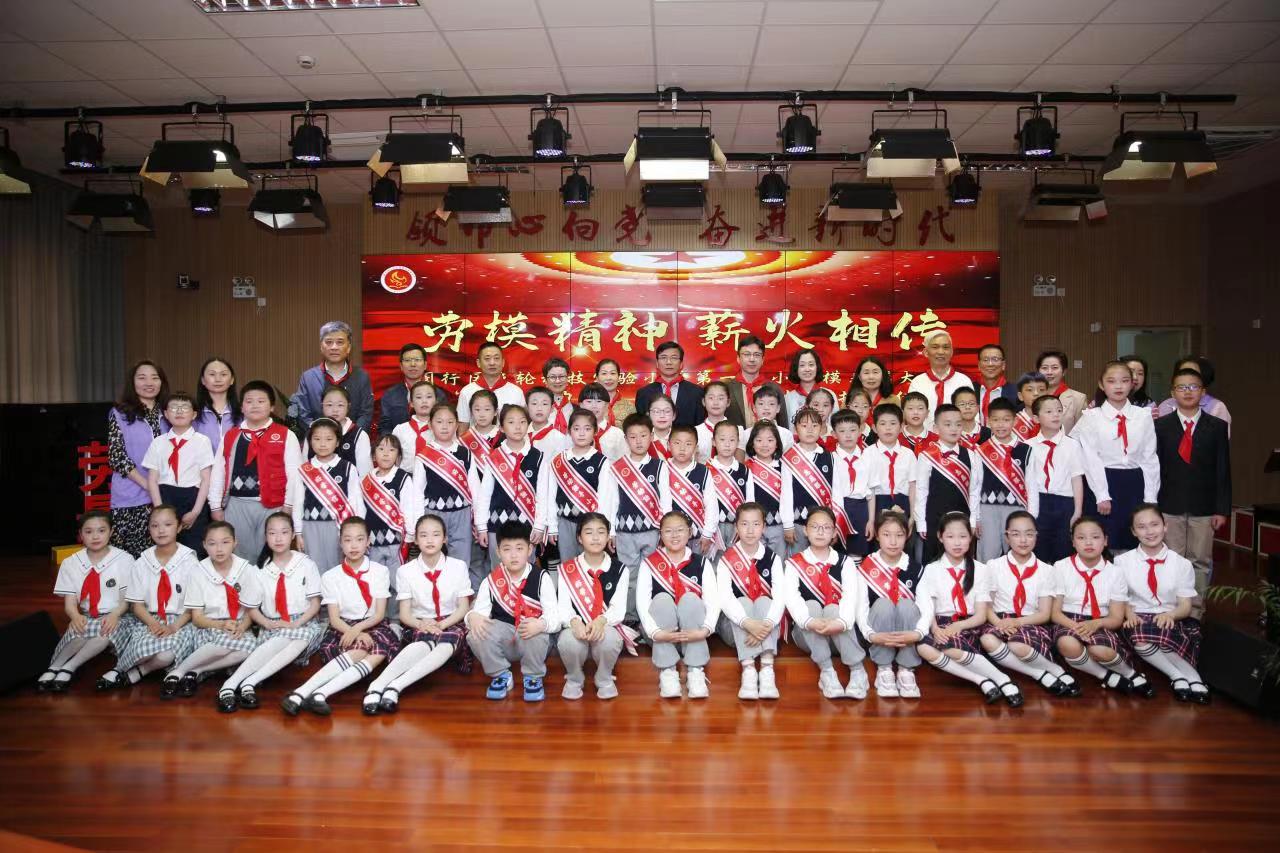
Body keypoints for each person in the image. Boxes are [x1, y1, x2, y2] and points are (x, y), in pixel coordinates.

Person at [282, 517, 397, 716]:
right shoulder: (330, 576)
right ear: (340, 542)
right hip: (342, 627)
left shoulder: (380, 571)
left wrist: (358, 630)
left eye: (359, 539)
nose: (354, 545)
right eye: (348, 540)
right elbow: (334, 619)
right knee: (362, 648)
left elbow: (379, 614)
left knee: (376, 647)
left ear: (368, 541)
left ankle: (312, 693)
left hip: (373, 624)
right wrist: (353, 631)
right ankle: (309, 692)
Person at [216, 512, 324, 712]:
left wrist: (295, 623)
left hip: (303, 622)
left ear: (293, 535)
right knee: (286, 637)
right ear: (265, 537)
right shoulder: (259, 570)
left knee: (299, 637)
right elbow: (251, 608)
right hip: (272, 624)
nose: (278, 538)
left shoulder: (306, 564)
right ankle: (238, 684)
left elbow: (315, 604)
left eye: (284, 532)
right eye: (272, 533)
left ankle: (242, 682)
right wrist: (267, 623)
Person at [365, 514, 473, 714]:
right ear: (415, 540)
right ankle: (376, 686)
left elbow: (463, 607)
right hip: (419, 623)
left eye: (436, 535)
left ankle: (395, 687)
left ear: (445, 539)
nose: (430, 540)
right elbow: (405, 615)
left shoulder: (458, 566)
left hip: (451, 621)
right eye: (423, 535)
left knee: (447, 640)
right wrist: (422, 624)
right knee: (424, 642)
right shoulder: (405, 571)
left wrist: (441, 625)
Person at [914, 512, 1023, 706]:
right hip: (942, 624)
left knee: (949, 647)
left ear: (971, 537)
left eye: (963, 536)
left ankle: (1001, 679)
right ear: (940, 537)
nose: (957, 543)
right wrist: (935, 629)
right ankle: (981, 680)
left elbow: (981, 615)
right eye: (950, 536)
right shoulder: (931, 569)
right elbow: (927, 606)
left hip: (971, 624)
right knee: (923, 647)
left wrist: (958, 626)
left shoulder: (981, 569)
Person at [1154, 367, 1231, 618]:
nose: (1187, 392)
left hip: (1205, 506)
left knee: (1200, 560)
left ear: (1203, 392)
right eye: (1181, 387)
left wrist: (1222, 509)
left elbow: (1223, 470)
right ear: (1172, 393)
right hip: (1169, 504)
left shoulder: (1217, 427)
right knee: (1172, 559)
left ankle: (1195, 612)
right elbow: (1155, 468)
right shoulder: (1161, 426)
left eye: (1193, 387)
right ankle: (1172, 610)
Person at [978, 512, 1078, 696]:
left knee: (1017, 645)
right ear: (1007, 537)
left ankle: (1054, 669)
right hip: (999, 619)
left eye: (1029, 534)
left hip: (1030, 621)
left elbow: (1045, 614)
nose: (1023, 540)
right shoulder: (993, 565)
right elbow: (987, 605)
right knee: (987, 639)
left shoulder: (1047, 570)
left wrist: (1016, 622)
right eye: (1016, 534)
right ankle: (1040, 674)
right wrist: (1000, 623)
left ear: (1036, 536)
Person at [1050, 516, 1152, 697]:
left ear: (1105, 541)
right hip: (1068, 620)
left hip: (1101, 621)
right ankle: (1106, 676)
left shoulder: (1115, 572)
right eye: (1081, 537)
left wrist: (1095, 624)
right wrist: (1077, 627)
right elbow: (1055, 613)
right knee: (1068, 643)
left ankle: (1130, 673)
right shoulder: (1061, 567)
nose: (1088, 542)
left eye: (1095, 537)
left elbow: (1116, 618)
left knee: (1100, 650)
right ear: (1073, 542)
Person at [1118, 504, 1209, 704]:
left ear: (1165, 526)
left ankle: (1190, 677)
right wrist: (1129, 614)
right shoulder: (1122, 562)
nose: (1149, 531)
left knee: (1164, 630)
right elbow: (1120, 598)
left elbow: (1185, 605)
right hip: (1138, 616)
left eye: (1154, 524)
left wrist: (1171, 615)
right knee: (1140, 635)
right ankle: (1180, 676)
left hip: (1171, 616)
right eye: (1141, 527)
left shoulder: (1182, 564)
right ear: (1133, 532)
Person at [37, 512, 135, 693]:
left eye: (101, 530)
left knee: (105, 632)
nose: (95, 536)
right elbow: (70, 604)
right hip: (88, 615)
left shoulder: (124, 559)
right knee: (79, 630)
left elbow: (126, 601)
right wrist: (75, 616)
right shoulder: (71, 563)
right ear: (80, 535)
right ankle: (55, 667)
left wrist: (114, 615)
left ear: (111, 532)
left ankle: (70, 667)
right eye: (89, 532)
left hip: (118, 614)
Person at [167, 521, 263, 701]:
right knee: (228, 642)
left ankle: (194, 670)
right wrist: (221, 625)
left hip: (237, 627)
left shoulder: (247, 570)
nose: (219, 549)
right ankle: (178, 672)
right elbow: (197, 618)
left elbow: (251, 610)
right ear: (204, 545)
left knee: (250, 649)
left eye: (225, 542)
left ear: (235, 542)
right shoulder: (198, 571)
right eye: (212, 543)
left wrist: (243, 627)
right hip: (209, 627)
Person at [465, 520, 559, 702]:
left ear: (529, 550)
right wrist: (471, 617)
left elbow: (555, 617)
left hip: (533, 641)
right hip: (505, 640)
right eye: (507, 549)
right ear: (498, 552)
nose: (514, 555)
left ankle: (533, 677)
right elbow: (478, 615)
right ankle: (500, 674)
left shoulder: (542, 577)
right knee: (475, 633)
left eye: (519, 548)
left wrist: (540, 624)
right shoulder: (491, 581)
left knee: (537, 627)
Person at [210, 380, 302, 563]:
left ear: (272, 407)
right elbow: (218, 471)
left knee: (269, 558)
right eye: (249, 401)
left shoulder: (285, 435)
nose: (255, 405)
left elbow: (294, 476)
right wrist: (215, 506)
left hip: (273, 506)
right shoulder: (231, 435)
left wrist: (288, 506)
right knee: (238, 558)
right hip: (236, 505)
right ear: (241, 407)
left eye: (261, 401)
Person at [1074, 361, 1159, 553]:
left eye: (1125, 381)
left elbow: (1149, 457)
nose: (1119, 386)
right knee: (1103, 542)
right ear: (1102, 385)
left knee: (1134, 542)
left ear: (1132, 384)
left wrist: (1150, 496)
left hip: (1135, 482)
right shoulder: (1091, 417)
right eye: (1112, 381)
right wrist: (1102, 494)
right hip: (1102, 481)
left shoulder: (1143, 416)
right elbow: (1090, 458)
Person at [110, 505, 198, 690]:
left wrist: (173, 627)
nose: (161, 530)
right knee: (143, 648)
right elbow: (137, 605)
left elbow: (194, 605)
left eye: (167, 524)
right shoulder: (142, 562)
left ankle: (138, 672)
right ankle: (119, 669)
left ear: (179, 527)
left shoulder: (190, 561)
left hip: (180, 621)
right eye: (155, 525)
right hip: (149, 618)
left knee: (167, 654)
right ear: (149, 529)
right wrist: (153, 623)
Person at [784, 508, 868, 700]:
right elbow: (792, 599)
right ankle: (827, 672)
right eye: (815, 527)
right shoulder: (794, 564)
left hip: (840, 634)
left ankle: (858, 672)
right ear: (805, 530)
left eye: (826, 527)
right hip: (809, 636)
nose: (820, 532)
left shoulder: (845, 563)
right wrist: (810, 622)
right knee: (811, 606)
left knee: (833, 608)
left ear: (834, 532)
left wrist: (841, 623)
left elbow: (850, 598)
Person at [638, 511, 718, 699]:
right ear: (660, 535)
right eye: (668, 531)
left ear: (690, 532)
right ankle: (667, 672)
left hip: (694, 635)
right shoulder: (649, 564)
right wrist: (655, 633)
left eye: (680, 530)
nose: (674, 535)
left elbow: (713, 602)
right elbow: (641, 603)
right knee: (661, 600)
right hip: (662, 636)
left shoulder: (701, 563)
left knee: (690, 599)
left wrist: (705, 630)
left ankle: (696, 671)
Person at [557, 513, 635, 700]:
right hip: (577, 628)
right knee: (567, 641)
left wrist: (601, 621)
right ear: (579, 538)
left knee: (610, 639)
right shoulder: (567, 569)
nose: (595, 537)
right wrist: (574, 622)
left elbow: (618, 609)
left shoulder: (620, 569)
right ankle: (574, 678)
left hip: (605, 626)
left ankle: (604, 678)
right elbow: (563, 607)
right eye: (589, 532)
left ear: (608, 536)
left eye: (601, 532)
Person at [716, 503, 787, 701]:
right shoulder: (726, 560)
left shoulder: (773, 559)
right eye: (744, 524)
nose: (750, 530)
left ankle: (766, 669)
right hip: (735, 630)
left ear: (764, 527)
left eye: (756, 524)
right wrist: (748, 623)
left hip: (766, 629)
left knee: (765, 601)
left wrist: (766, 625)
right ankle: (748, 671)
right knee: (743, 602)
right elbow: (725, 598)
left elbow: (780, 597)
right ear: (736, 527)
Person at [851, 510, 925, 699]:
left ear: (907, 535)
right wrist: (871, 634)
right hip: (877, 636)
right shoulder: (866, 567)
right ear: (877, 535)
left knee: (907, 605)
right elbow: (860, 609)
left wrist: (918, 633)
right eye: (886, 534)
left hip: (908, 636)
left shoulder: (916, 568)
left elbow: (925, 608)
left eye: (899, 535)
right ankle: (884, 669)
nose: (893, 541)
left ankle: (906, 669)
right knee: (883, 604)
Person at [606, 413, 672, 623]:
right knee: (629, 575)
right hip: (625, 533)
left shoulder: (660, 466)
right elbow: (612, 501)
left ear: (651, 436)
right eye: (633, 437)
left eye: (643, 435)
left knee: (652, 574)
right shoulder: (617, 467)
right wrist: (611, 531)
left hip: (653, 531)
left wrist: (666, 530)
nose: (638, 441)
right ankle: (631, 618)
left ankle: (651, 618)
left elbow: (666, 500)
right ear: (626, 439)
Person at [474, 404, 553, 569]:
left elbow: (543, 495)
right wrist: (481, 526)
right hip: (497, 524)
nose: (517, 427)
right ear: (502, 427)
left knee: (526, 570)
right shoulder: (494, 457)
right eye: (511, 422)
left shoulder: (538, 457)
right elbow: (484, 495)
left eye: (522, 422)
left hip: (527, 524)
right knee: (498, 570)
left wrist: (540, 526)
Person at [109, 360, 169, 556]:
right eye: (142, 378)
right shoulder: (120, 413)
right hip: (131, 496)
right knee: (129, 557)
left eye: (154, 378)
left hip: (166, 493)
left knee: (163, 555)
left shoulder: (169, 413)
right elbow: (117, 456)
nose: (149, 383)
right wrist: (148, 485)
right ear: (132, 382)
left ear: (162, 382)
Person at [416, 402, 482, 582]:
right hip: (432, 514)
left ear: (457, 425)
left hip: (461, 513)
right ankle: (434, 591)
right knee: (432, 555)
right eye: (439, 422)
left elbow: (475, 487)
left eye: (450, 422)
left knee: (461, 558)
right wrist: (417, 522)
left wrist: (479, 520)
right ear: (430, 425)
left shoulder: (465, 453)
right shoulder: (424, 455)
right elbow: (417, 493)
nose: (444, 426)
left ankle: (459, 591)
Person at [290, 418, 365, 575]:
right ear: (310, 441)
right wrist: (298, 532)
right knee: (313, 568)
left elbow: (356, 501)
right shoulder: (304, 470)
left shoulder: (347, 468)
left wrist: (357, 528)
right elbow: (298, 502)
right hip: (310, 526)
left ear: (337, 442)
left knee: (339, 568)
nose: (322, 444)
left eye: (329, 439)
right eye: (317, 439)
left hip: (339, 526)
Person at [142, 392, 214, 556]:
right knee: (166, 548)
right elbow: (152, 479)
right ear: (166, 414)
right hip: (165, 497)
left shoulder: (202, 441)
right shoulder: (158, 442)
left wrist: (195, 512)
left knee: (195, 551)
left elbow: (206, 480)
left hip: (193, 499)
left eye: (185, 407)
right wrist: (159, 509)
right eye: (174, 407)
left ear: (194, 414)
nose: (179, 411)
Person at [912, 404, 981, 565]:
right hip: (934, 518)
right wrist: (921, 522)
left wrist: (973, 520)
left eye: (958, 424)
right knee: (933, 561)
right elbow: (921, 491)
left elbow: (974, 491)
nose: (954, 429)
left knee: (962, 562)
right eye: (948, 424)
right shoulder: (927, 456)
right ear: (936, 428)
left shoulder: (971, 455)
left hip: (962, 519)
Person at [546, 409, 617, 562]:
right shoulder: (558, 461)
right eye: (576, 429)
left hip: (592, 523)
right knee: (568, 565)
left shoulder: (602, 461)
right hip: (565, 522)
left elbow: (606, 498)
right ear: (569, 431)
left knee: (592, 564)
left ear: (595, 432)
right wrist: (552, 526)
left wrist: (605, 529)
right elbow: (550, 495)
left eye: (587, 429)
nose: (582, 433)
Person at [974, 398, 1038, 562]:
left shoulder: (1026, 450)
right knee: (988, 555)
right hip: (987, 509)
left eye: (1006, 420)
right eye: (995, 420)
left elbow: (1031, 486)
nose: (1001, 424)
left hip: (1017, 509)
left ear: (1015, 421)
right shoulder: (981, 450)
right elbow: (975, 486)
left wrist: (1031, 517)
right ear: (988, 421)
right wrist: (976, 518)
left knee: (1017, 553)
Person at [1026, 395, 1085, 564]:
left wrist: (1077, 511)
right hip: (1038, 502)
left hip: (1064, 503)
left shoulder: (1072, 445)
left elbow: (1076, 478)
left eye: (1059, 410)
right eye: (1049, 412)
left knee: (1063, 551)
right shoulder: (1027, 446)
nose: (1056, 415)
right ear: (1036, 418)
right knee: (1039, 551)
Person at [290, 321, 374, 432]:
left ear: (349, 347)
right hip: (318, 439)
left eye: (340, 342)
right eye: (329, 342)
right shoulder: (308, 378)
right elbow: (303, 414)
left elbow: (365, 413)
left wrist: (353, 436)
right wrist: (322, 437)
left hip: (352, 439)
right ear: (321, 347)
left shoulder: (361, 376)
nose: (334, 347)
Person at [362, 434, 423, 574]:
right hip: (372, 540)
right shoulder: (367, 479)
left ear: (398, 457)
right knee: (375, 577)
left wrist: (410, 534)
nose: (386, 454)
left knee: (397, 577)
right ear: (373, 455)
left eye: (391, 450)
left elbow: (409, 507)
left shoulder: (403, 478)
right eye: (381, 449)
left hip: (396, 540)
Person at [783, 407, 835, 555]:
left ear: (821, 428)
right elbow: (786, 493)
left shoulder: (830, 457)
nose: (810, 430)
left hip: (823, 524)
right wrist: (788, 524)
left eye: (815, 425)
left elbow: (836, 493)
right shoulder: (789, 457)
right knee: (798, 561)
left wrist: (836, 523)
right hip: (797, 523)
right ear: (796, 429)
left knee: (822, 558)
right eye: (804, 426)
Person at [861, 403, 914, 535]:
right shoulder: (868, 453)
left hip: (903, 503)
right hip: (877, 503)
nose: (888, 428)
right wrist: (871, 519)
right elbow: (868, 487)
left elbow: (913, 486)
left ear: (901, 427)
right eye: (883, 423)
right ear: (874, 428)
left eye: (893, 423)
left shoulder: (908, 454)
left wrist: (913, 516)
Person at [666, 424, 717, 555]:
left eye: (688, 444)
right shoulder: (662, 469)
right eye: (677, 443)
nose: (682, 448)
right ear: (668, 445)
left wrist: (707, 533)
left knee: (697, 565)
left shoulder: (703, 471)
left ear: (696, 448)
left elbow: (711, 503)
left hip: (697, 534)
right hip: (670, 535)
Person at [744, 420, 792, 558]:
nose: (765, 445)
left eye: (770, 440)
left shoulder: (783, 467)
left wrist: (788, 525)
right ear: (752, 443)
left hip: (779, 525)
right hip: (754, 527)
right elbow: (747, 499)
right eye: (759, 440)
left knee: (779, 561)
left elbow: (788, 497)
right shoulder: (746, 467)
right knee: (756, 561)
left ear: (777, 444)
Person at [905, 331, 972, 428]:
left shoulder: (964, 381)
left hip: (957, 435)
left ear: (951, 352)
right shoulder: (918, 382)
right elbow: (910, 416)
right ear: (926, 352)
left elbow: (972, 416)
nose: (941, 352)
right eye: (935, 347)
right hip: (925, 436)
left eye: (946, 347)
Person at [305, 386, 371, 478]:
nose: (335, 410)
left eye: (340, 405)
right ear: (322, 406)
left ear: (348, 406)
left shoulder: (359, 435)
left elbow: (365, 473)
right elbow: (304, 466)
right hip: (315, 485)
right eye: (329, 405)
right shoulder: (312, 431)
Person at [1155, 355, 1232, 433]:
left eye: (1193, 373)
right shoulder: (1165, 406)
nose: (1188, 378)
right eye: (1184, 373)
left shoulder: (1217, 407)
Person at [636, 341, 705, 427]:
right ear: (657, 363)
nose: (668, 362)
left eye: (674, 358)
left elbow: (700, 426)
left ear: (681, 364)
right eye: (663, 357)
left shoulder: (697, 392)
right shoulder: (643, 393)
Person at [457, 342, 525, 428]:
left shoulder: (516, 392)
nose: (492, 363)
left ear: (503, 362)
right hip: (476, 437)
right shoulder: (467, 391)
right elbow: (463, 426)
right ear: (478, 363)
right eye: (487, 359)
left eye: (496, 358)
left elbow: (523, 424)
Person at [831, 410, 869, 557]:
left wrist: (871, 519)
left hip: (862, 508)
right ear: (834, 434)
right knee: (839, 551)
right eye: (842, 431)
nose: (848, 435)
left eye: (852, 430)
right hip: (838, 508)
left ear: (860, 431)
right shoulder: (830, 458)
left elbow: (871, 491)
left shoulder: (867, 456)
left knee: (859, 551)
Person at [726, 335, 786, 429]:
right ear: (738, 358)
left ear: (762, 360)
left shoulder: (774, 388)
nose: (752, 359)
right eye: (747, 354)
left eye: (757, 355)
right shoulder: (727, 388)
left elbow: (783, 424)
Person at [708, 420, 749, 552]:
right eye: (722, 439)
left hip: (738, 526)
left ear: (738, 442)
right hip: (714, 526)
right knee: (715, 559)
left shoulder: (744, 470)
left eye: (732, 440)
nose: (727, 444)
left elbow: (750, 501)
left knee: (736, 558)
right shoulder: (706, 469)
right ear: (714, 442)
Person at [377, 343, 430, 439]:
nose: (413, 364)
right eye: (407, 360)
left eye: (417, 360)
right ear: (401, 366)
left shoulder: (437, 394)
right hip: (398, 444)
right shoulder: (390, 395)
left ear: (425, 365)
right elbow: (385, 427)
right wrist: (393, 445)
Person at [192, 356, 238, 452]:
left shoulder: (243, 411)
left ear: (232, 380)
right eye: (212, 374)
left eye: (223, 374)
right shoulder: (193, 412)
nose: (218, 379)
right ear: (203, 380)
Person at [1037, 350, 1088, 435]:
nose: (1049, 372)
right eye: (1044, 368)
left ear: (1064, 371)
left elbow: (1083, 434)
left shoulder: (1078, 399)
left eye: (1054, 368)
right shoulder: (1032, 396)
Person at [577, 383, 627, 460]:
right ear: (581, 405)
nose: (594, 406)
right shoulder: (574, 433)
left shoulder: (617, 434)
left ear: (607, 405)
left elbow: (624, 461)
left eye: (599, 401)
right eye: (589, 401)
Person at [972, 343, 1019, 423]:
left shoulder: (1016, 392)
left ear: (1003, 365)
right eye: (986, 360)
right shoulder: (970, 389)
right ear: (979, 365)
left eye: (995, 359)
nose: (990, 364)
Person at [782, 350, 829, 420]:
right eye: (802, 365)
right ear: (796, 369)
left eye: (811, 365)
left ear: (817, 367)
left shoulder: (829, 395)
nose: (807, 369)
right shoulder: (787, 399)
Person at [526, 386, 571, 458]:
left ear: (552, 408)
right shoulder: (520, 434)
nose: (539, 408)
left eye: (544, 404)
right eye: (534, 403)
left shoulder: (560, 439)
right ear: (527, 407)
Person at [694, 382, 731, 461]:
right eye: (711, 398)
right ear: (704, 402)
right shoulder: (695, 432)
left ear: (728, 402)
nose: (715, 403)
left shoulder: (738, 430)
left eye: (720, 398)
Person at [460, 389, 502, 460]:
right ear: (471, 411)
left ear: (495, 411)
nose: (482, 414)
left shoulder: (503, 437)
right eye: (477, 409)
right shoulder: (464, 439)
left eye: (487, 409)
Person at [594, 358, 635, 428]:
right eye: (604, 373)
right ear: (597, 378)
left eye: (612, 373)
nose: (609, 378)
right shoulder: (589, 405)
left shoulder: (630, 407)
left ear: (619, 377)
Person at [541, 357, 575, 432]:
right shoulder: (538, 408)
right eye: (553, 377)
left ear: (567, 379)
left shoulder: (575, 409)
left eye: (561, 376)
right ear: (545, 381)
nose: (557, 381)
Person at [1013, 372, 1048, 442]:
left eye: (1041, 390)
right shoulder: (1012, 423)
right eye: (1030, 390)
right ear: (1020, 396)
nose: (1036, 393)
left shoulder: (1053, 420)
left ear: (1047, 394)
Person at [953, 386, 988, 450]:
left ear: (977, 408)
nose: (967, 407)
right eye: (962, 404)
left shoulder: (990, 434)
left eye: (971, 404)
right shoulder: (950, 435)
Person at [647, 393, 677, 460]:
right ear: (649, 415)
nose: (662, 415)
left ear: (674, 415)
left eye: (667, 411)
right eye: (656, 411)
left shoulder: (683, 439)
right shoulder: (643, 439)